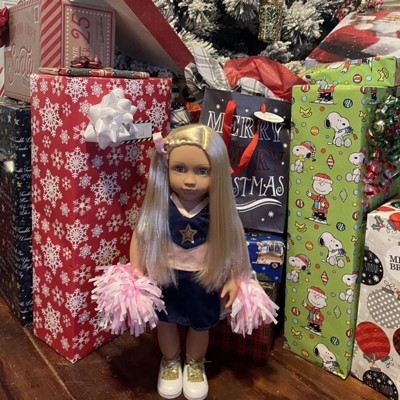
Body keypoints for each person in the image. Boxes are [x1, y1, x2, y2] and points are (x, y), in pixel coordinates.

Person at [129, 124, 253, 400]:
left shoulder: (217, 211)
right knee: (166, 322)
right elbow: (141, 235)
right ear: (166, 167)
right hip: (165, 276)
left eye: (201, 171)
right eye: (179, 168)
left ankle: (195, 364)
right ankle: (170, 361)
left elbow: (234, 244)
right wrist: (136, 274)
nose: (189, 180)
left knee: (201, 325)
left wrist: (234, 278)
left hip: (203, 279)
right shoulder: (161, 207)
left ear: (216, 173)